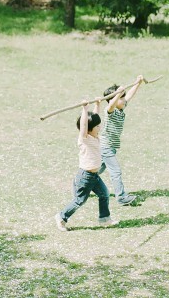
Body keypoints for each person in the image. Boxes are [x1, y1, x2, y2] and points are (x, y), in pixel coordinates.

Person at [55, 99, 118, 231]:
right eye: (97, 127)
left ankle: (105, 219)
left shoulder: (95, 137)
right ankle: (61, 217)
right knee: (80, 200)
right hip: (85, 176)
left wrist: (97, 105)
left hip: (94, 176)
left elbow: (93, 119)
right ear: (89, 129)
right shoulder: (84, 139)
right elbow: (84, 126)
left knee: (104, 194)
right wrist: (84, 109)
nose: (99, 128)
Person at [99, 75, 145, 206]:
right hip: (106, 146)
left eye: (123, 97)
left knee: (96, 170)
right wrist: (117, 94)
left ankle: (81, 181)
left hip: (111, 147)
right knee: (116, 171)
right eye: (121, 98)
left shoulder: (120, 108)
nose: (124, 100)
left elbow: (129, 95)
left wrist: (137, 83)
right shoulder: (110, 110)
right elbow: (111, 104)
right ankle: (121, 197)